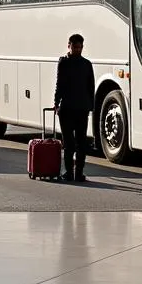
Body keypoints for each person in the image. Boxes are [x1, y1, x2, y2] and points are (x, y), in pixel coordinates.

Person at [53, 33, 95, 182]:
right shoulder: (64, 63)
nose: (78, 50)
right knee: (71, 143)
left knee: (79, 143)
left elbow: (91, 86)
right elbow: (60, 84)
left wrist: (91, 105)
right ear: (69, 45)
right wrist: (56, 102)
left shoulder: (86, 64)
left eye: (80, 47)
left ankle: (77, 173)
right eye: (75, 47)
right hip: (68, 108)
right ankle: (71, 172)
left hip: (79, 108)